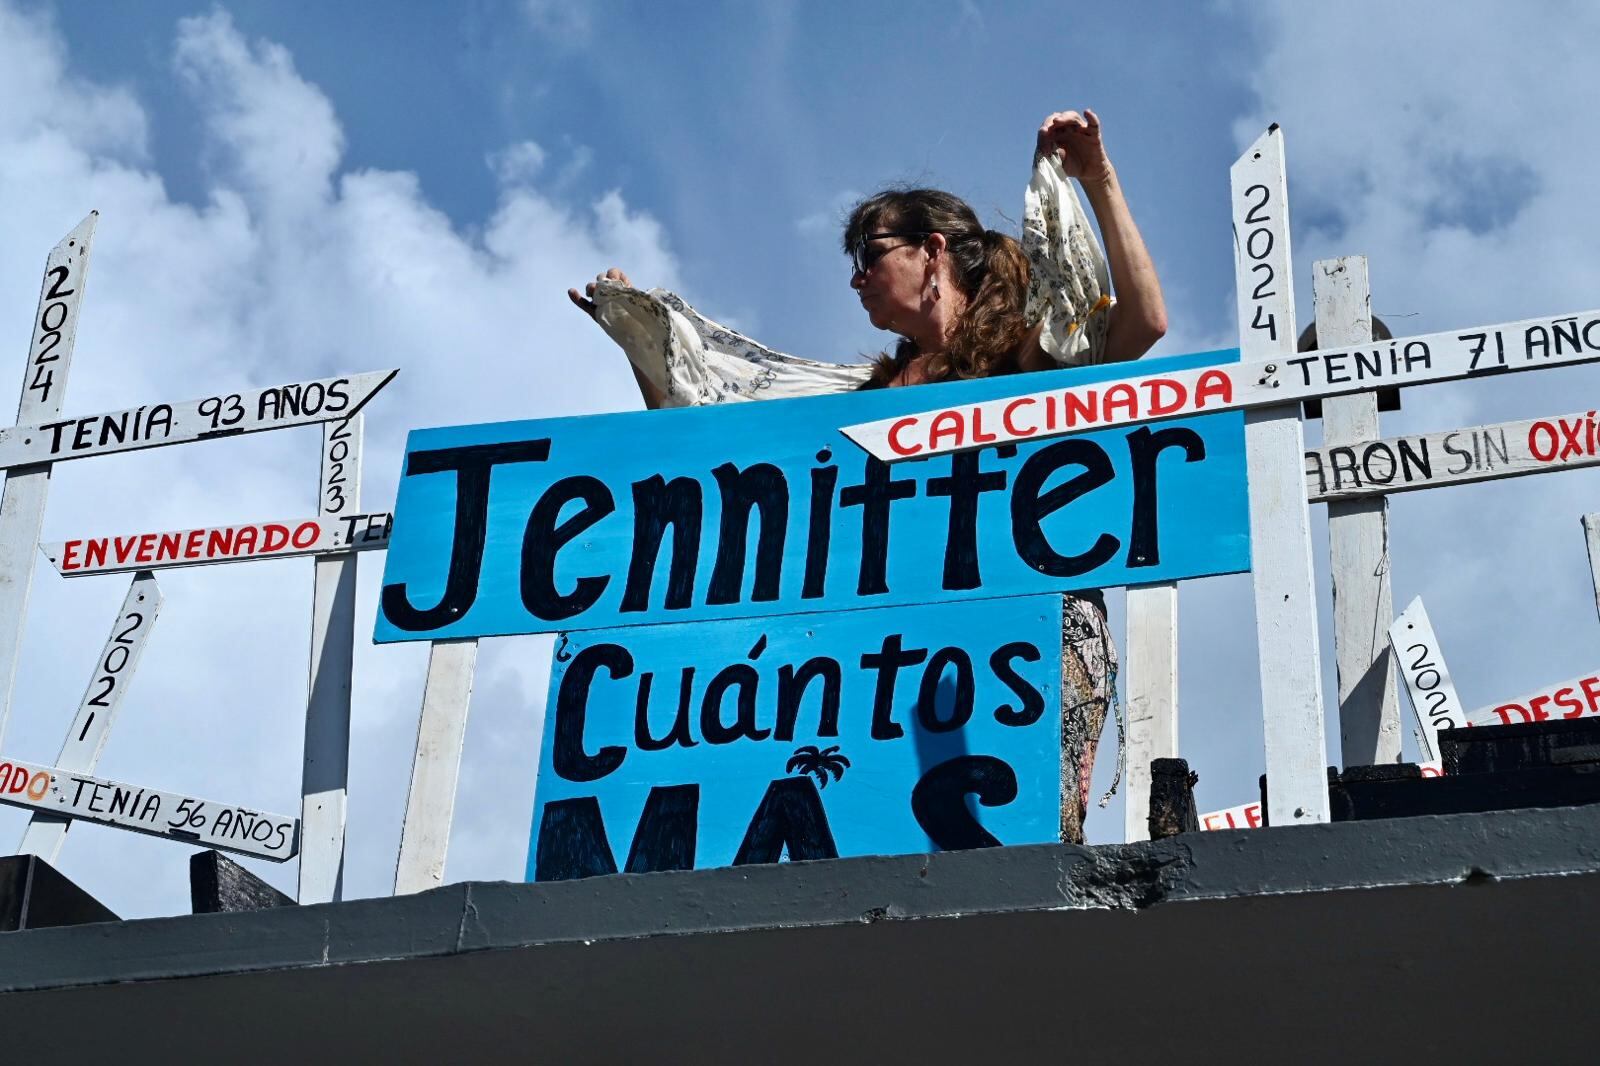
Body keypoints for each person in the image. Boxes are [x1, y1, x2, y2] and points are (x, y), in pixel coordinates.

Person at [568, 109, 1167, 844]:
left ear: (932, 251)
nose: (856, 278)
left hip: (1022, 630)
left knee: (1023, 839)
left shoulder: (1022, 361)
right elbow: (710, 437)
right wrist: (642, 337)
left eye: (871, 255)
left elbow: (1139, 326)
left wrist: (1097, 178)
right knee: (886, 843)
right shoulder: (860, 401)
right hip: (895, 649)